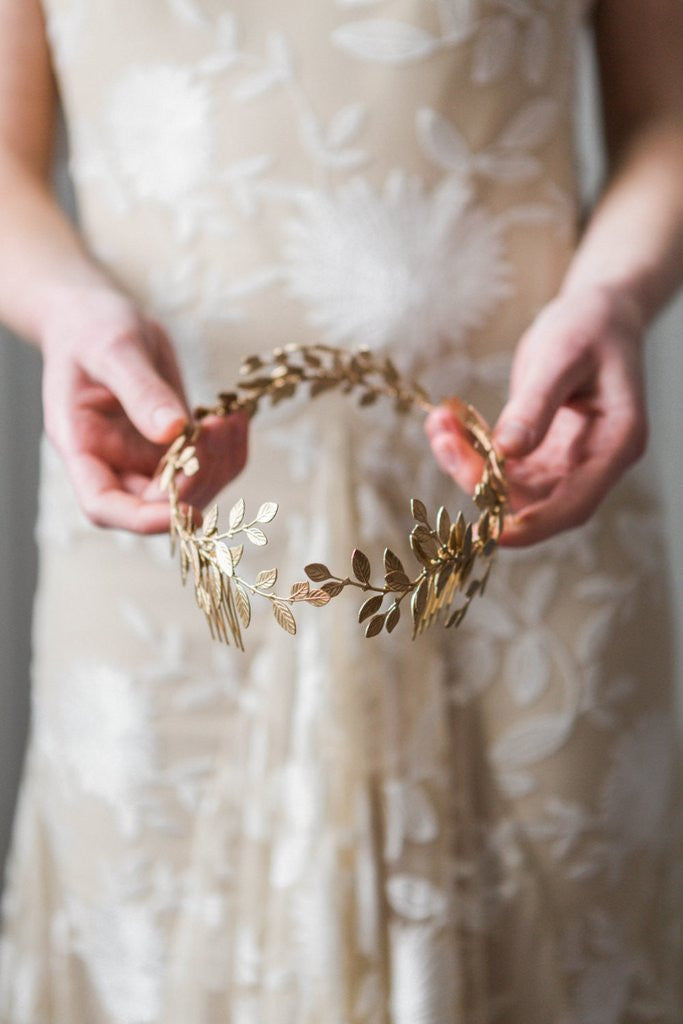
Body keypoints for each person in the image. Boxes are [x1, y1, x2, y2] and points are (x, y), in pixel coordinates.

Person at [0, 0, 681, 1020]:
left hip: (518, 513)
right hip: (171, 539)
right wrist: (65, 309)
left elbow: (663, 117)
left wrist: (616, 297)